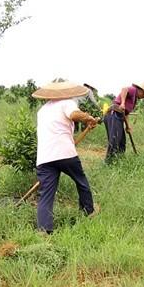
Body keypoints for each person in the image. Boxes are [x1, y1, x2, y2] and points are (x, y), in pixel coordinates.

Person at [31, 80, 99, 234]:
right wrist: (89, 117)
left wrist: (87, 122)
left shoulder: (42, 110)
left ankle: (44, 229)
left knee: (46, 193)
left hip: (44, 157)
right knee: (81, 181)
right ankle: (88, 211)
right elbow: (74, 114)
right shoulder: (67, 103)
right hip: (64, 153)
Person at [104, 82, 144, 162]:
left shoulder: (134, 99)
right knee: (115, 140)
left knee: (122, 142)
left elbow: (125, 113)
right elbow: (124, 89)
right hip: (114, 113)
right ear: (142, 91)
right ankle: (109, 162)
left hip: (119, 116)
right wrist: (122, 103)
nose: (143, 97)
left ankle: (119, 161)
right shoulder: (134, 90)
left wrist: (127, 126)